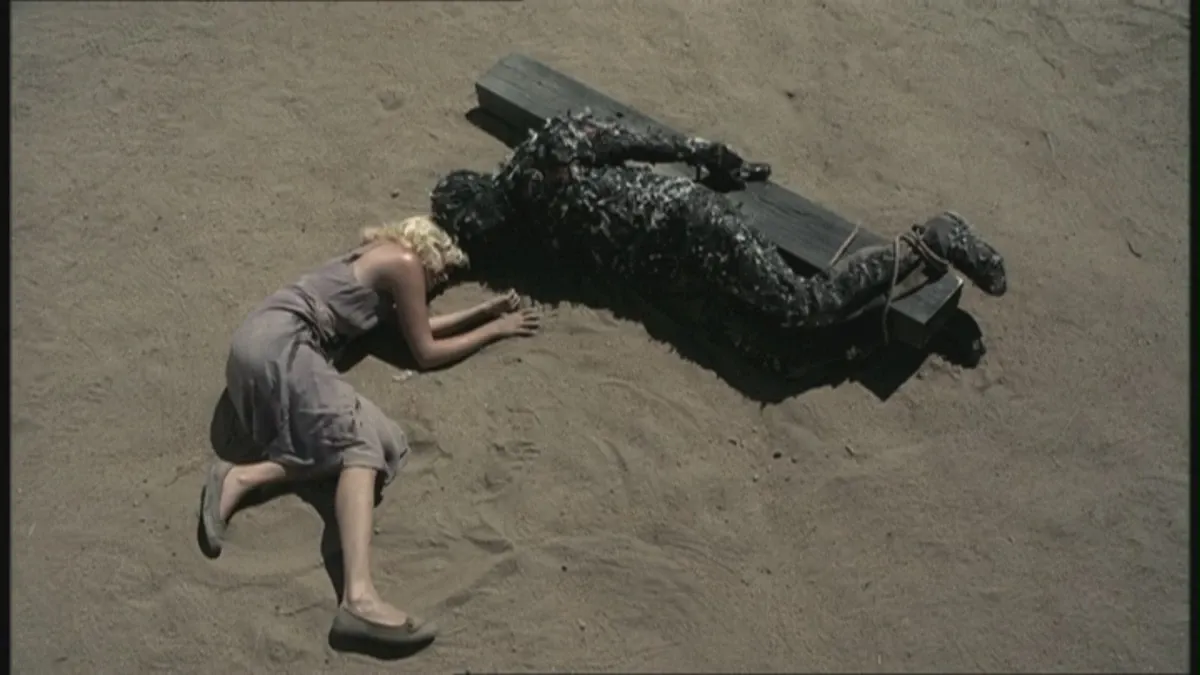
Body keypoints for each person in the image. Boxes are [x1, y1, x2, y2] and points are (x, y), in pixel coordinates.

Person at [429, 111, 1008, 376]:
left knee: (799, 306)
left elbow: (634, 140)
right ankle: (887, 329)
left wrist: (708, 153)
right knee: (767, 353)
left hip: (694, 222)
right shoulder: (522, 235)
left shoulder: (546, 152)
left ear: (485, 189)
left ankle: (935, 238)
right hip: (674, 269)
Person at [199, 216, 540, 647]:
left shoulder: (376, 259)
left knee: (382, 439)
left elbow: (418, 324)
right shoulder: (405, 263)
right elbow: (426, 351)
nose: (439, 283)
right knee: (358, 442)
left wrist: (482, 312)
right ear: (429, 253)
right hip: (281, 348)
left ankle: (243, 478)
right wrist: (496, 330)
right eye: (443, 273)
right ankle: (358, 599)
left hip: (259, 347)